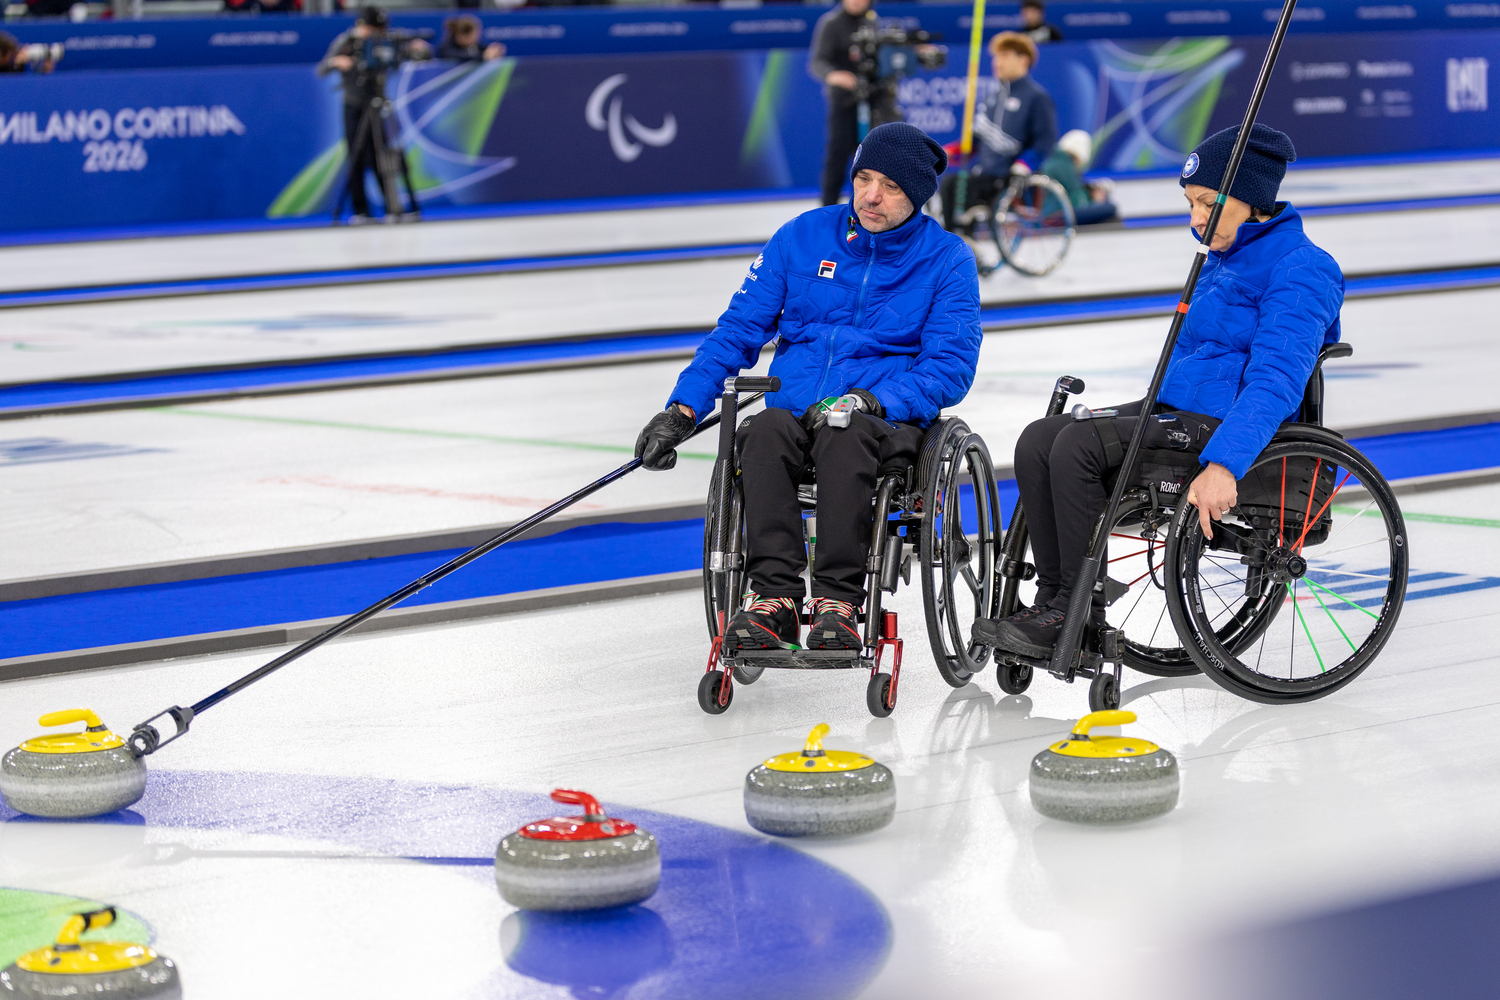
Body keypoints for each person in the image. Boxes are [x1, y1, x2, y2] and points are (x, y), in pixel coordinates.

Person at [971, 124, 1344, 659]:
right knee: (1038, 439)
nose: (1195, 219)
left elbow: (1276, 382)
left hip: (1227, 430)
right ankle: (1054, 601)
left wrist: (1224, 465)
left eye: (1208, 203)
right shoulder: (1224, 258)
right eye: (1191, 204)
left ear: (1252, 200)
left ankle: (1078, 611)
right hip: (1179, 413)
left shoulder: (1303, 268)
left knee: (1078, 447)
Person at [635, 123, 982, 652]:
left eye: (890, 186)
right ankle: (773, 598)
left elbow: (950, 366)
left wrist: (873, 400)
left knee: (845, 433)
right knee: (761, 432)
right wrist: (682, 410)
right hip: (796, 413)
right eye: (863, 179)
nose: (870, 196)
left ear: (916, 195)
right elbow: (738, 330)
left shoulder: (947, 259)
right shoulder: (801, 236)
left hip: (884, 420)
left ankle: (837, 601)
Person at [317, 6, 431, 223]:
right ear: (362, 25)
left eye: (380, 29)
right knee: (357, 157)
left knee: (383, 156)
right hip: (354, 105)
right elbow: (322, 69)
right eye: (373, 29)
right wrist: (336, 61)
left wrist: (415, 49)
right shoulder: (347, 41)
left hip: (378, 102)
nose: (376, 34)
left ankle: (393, 208)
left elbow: (414, 56)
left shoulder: (386, 41)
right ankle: (361, 212)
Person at [939, 32, 1057, 232]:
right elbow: (974, 142)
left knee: (969, 189)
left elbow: (1044, 143)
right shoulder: (991, 99)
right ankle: (957, 240)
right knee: (950, 184)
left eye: (1004, 56)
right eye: (996, 56)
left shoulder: (1037, 98)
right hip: (985, 175)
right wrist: (946, 152)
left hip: (1012, 179)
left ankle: (964, 239)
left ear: (1023, 60)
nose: (997, 62)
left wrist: (1023, 165)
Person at [809, 0, 899, 208]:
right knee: (838, 154)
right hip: (844, 101)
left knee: (870, 159)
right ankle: (828, 210)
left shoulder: (872, 22)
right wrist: (834, 75)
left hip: (873, 99)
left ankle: (864, 208)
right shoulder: (831, 23)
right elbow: (818, 62)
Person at [1040, 129, 1120, 225]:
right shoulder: (1064, 165)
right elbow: (1078, 201)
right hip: (1057, 214)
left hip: (1050, 213)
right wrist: (1096, 200)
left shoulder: (1053, 161)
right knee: (1110, 207)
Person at [438, 16, 504, 62]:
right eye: (475, 34)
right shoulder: (446, 48)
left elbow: (486, 51)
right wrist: (483, 56)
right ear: (462, 35)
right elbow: (460, 57)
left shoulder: (477, 46)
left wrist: (493, 51)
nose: (478, 37)